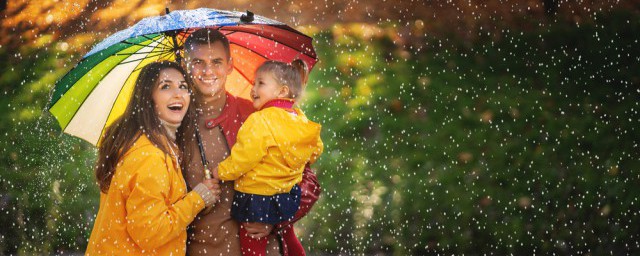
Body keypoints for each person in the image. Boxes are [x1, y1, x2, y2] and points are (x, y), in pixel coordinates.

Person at [179, 28, 321, 256]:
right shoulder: (174, 123)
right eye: (198, 62)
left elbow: (307, 181)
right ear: (186, 65)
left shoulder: (260, 114)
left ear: (230, 65)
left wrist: (274, 218)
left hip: (264, 249)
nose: (208, 71)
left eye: (216, 61)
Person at [86, 61, 221, 255]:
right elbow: (150, 232)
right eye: (165, 86)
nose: (177, 93)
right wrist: (197, 199)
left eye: (183, 86)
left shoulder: (150, 144)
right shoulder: (150, 157)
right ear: (149, 98)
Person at [211, 59, 323, 256]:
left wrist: (221, 172)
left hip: (257, 196)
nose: (253, 89)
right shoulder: (299, 117)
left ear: (282, 91)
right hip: (287, 193)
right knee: (289, 238)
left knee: (252, 244)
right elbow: (315, 150)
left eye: (260, 83)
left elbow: (244, 157)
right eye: (254, 83)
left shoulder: (260, 120)